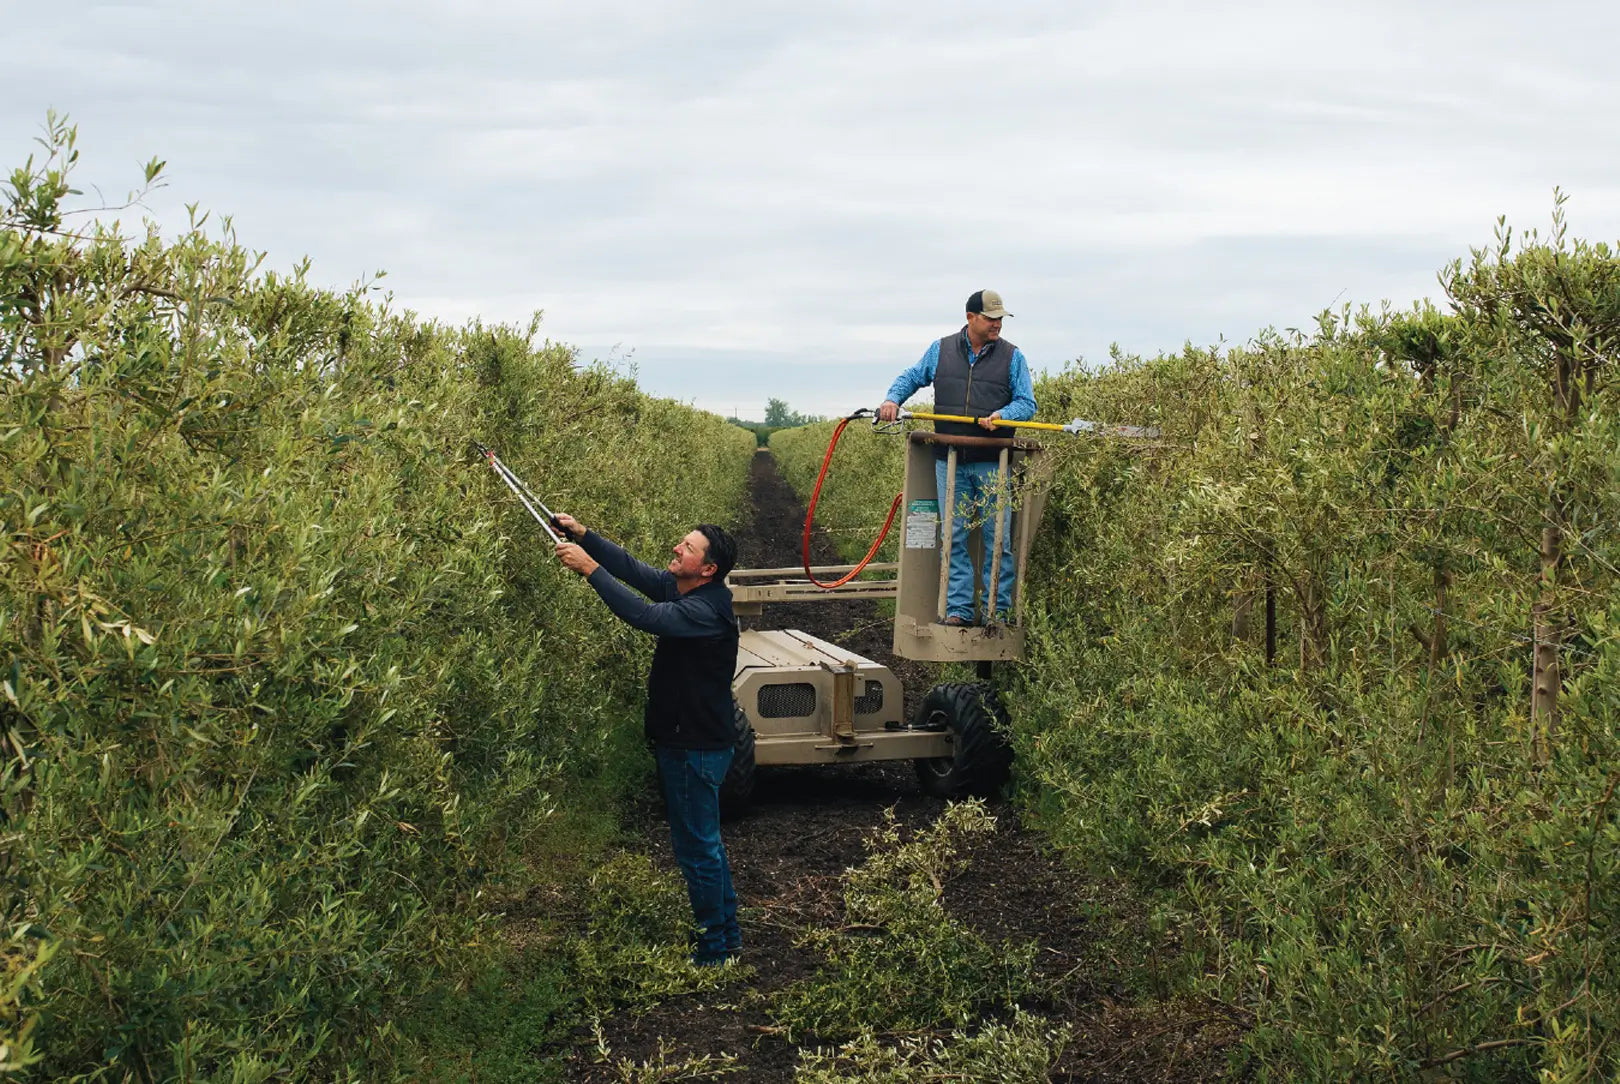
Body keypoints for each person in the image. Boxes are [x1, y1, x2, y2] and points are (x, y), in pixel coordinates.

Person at [552, 514, 742, 966]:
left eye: (688, 548)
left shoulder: (702, 611)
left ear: (708, 568)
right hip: (695, 740)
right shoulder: (693, 590)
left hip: (692, 745)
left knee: (697, 849)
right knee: (706, 843)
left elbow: (643, 615)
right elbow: (636, 571)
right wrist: (585, 536)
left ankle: (714, 951)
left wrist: (587, 568)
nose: (677, 549)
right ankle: (726, 935)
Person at [878, 289, 1037, 625]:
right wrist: (892, 399)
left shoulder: (1013, 357)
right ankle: (960, 610)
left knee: (998, 538)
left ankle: (999, 611)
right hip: (948, 460)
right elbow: (911, 376)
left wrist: (1003, 415)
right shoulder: (941, 350)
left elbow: (1026, 403)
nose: (997, 324)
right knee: (954, 535)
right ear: (970, 318)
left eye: (1000, 319)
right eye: (991, 318)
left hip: (994, 462)